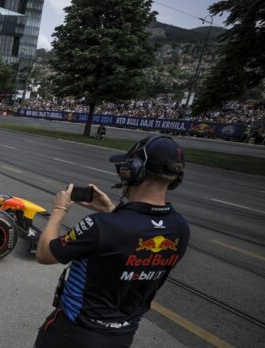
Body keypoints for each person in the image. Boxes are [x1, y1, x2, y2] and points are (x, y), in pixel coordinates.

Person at [34, 135, 189, 348]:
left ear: (134, 170)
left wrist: (59, 209)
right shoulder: (180, 227)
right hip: (122, 336)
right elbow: (131, 240)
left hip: (73, 334)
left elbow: (44, 253)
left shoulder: (101, 226)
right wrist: (112, 211)